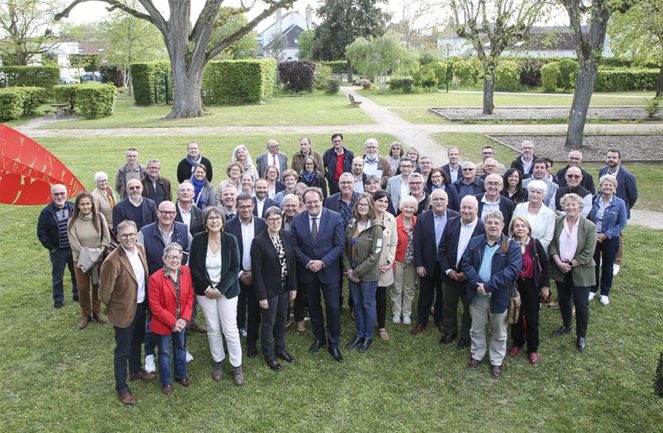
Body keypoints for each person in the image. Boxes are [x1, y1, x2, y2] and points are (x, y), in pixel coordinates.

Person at [99, 220, 154, 406]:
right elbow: (104, 293)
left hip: (141, 306)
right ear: (118, 237)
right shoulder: (112, 261)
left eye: (131, 234)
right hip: (123, 311)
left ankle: (136, 370)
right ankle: (121, 388)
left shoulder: (140, 249)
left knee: (137, 341)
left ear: (136, 235)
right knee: (122, 350)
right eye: (124, 235)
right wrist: (116, 306)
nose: (128, 238)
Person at [462, 210, 521, 379]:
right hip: (477, 296)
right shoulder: (475, 242)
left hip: (499, 296)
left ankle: (496, 360)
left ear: (503, 225)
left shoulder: (511, 246)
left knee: (499, 331)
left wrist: (488, 286)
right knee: (476, 328)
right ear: (485, 225)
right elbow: (466, 264)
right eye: (489, 223)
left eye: (496, 223)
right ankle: (477, 354)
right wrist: (478, 284)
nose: (493, 226)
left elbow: (512, 271)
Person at [189, 207, 244, 385]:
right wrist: (207, 288)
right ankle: (218, 361)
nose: (214, 221)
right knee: (213, 328)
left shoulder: (231, 239)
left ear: (222, 221)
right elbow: (193, 267)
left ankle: (236, 365)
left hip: (227, 291)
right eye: (211, 218)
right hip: (205, 291)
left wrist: (219, 289)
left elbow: (234, 268)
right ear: (205, 222)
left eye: (217, 217)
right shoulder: (198, 239)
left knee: (230, 328)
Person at [290, 187, 345, 362]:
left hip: (329, 271)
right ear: (304, 203)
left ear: (322, 200)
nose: (312, 204)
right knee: (314, 307)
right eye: (309, 202)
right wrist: (307, 262)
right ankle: (319, 337)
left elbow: (339, 245)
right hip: (308, 272)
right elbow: (294, 246)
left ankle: (333, 343)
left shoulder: (335, 217)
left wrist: (323, 262)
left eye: (316, 201)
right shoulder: (297, 220)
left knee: (333, 307)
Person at [138, 200, 192, 373]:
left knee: (179, 313)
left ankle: (181, 347)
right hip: (155, 283)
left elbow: (189, 251)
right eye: (163, 212)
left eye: (171, 212)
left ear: (175, 214)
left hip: (176, 281)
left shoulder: (183, 229)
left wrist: (182, 271)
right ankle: (149, 353)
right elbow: (140, 257)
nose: (167, 215)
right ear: (157, 213)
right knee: (152, 320)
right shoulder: (145, 232)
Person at [549, 193, 597, 353]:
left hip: (581, 270)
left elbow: (588, 253)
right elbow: (553, 244)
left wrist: (569, 264)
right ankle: (566, 325)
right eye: (567, 204)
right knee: (563, 299)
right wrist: (559, 263)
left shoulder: (589, 226)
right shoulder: (557, 222)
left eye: (573, 204)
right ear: (563, 207)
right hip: (560, 268)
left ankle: (581, 336)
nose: (570, 207)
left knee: (581, 304)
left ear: (580, 207)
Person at [251, 206, 298, 370]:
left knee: (281, 319)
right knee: (268, 322)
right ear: (266, 221)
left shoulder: (286, 235)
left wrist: (293, 287)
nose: (275, 222)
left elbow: (291, 262)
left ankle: (280, 349)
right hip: (269, 290)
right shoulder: (258, 241)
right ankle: (269, 355)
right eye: (271, 220)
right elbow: (257, 271)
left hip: (284, 286)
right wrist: (262, 296)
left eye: (278, 219)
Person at [439, 195, 485, 349]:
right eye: (464, 207)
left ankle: (466, 336)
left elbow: (484, 257)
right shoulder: (451, 223)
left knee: (469, 308)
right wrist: (448, 270)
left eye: (470, 207)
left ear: (477, 209)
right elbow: (442, 249)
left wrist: (467, 274)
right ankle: (450, 331)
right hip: (450, 275)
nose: (466, 210)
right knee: (448, 305)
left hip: (470, 278)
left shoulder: (483, 228)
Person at [224, 193, 267, 357]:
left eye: (249, 206)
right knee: (236, 310)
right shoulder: (228, 226)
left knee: (255, 312)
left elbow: (266, 250)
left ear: (253, 206)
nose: (246, 209)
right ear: (236, 208)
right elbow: (226, 253)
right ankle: (233, 342)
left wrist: (255, 273)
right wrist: (241, 273)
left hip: (257, 275)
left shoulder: (262, 224)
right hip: (236, 275)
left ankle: (251, 343)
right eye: (242, 207)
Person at [411, 189, 459, 336]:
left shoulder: (455, 217)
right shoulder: (422, 218)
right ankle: (421, 321)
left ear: (447, 201)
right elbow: (417, 242)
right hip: (427, 264)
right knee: (425, 294)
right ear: (431, 202)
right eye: (435, 199)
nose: (438, 202)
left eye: (441, 199)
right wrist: (419, 264)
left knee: (442, 295)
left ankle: (440, 320)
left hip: (446, 265)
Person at [148, 243, 194, 394]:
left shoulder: (186, 271)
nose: (174, 260)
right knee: (164, 351)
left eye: (178, 257)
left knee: (181, 346)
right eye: (171, 257)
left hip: (181, 321)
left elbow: (190, 297)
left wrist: (184, 319)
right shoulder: (155, 278)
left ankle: (181, 375)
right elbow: (155, 306)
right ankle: (166, 382)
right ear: (164, 259)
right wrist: (173, 322)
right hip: (164, 323)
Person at [343, 193, 383, 353]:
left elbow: (375, 255)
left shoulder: (376, 227)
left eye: (365, 205)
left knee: (368, 304)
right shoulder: (351, 223)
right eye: (360, 204)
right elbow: (344, 248)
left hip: (367, 275)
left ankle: (368, 336)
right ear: (356, 206)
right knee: (357, 304)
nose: (362, 207)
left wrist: (356, 272)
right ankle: (359, 334)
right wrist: (349, 269)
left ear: (371, 207)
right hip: (351, 272)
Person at [507, 216, 551, 364]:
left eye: (523, 226)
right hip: (515, 285)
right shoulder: (508, 244)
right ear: (512, 229)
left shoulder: (535, 244)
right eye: (517, 226)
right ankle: (517, 342)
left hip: (533, 285)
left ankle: (532, 348)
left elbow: (545, 265)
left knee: (532, 317)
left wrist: (545, 286)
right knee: (516, 315)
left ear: (528, 229)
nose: (520, 228)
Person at [67, 191, 111, 328]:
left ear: (92, 204)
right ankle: (86, 314)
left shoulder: (99, 217)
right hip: (80, 260)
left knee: (96, 286)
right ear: (78, 206)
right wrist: (90, 255)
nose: (86, 207)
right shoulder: (72, 222)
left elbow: (106, 238)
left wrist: (99, 252)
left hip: (97, 260)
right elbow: (74, 245)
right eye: (82, 204)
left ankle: (97, 311)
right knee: (83, 288)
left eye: (88, 204)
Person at [587, 175, 627, 306]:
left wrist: (606, 234)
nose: (608, 187)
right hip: (593, 237)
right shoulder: (593, 200)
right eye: (605, 184)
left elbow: (622, 223)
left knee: (608, 266)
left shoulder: (620, 203)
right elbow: (587, 217)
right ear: (600, 187)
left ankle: (604, 292)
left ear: (614, 188)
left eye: (611, 185)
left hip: (610, 239)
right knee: (593, 264)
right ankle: (592, 289)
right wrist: (594, 234)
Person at [37, 184, 78, 308]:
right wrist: (51, 247)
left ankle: (77, 294)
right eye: (56, 194)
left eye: (62, 193)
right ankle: (58, 299)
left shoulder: (73, 207)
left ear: (67, 193)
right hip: (58, 251)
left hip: (73, 249)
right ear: (52, 195)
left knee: (75, 273)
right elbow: (41, 232)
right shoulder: (46, 212)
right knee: (58, 276)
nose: (59, 196)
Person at [598, 149, 638, 275]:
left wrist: (624, 209)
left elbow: (633, 195)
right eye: (609, 157)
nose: (611, 159)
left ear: (619, 160)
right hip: (605, 207)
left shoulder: (627, 176)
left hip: (619, 209)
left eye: (614, 157)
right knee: (604, 230)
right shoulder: (603, 171)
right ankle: (604, 256)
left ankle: (616, 262)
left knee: (617, 235)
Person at [373, 190, 397, 341]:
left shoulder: (390, 218)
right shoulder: (367, 216)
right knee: (368, 296)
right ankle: (366, 323)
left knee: (381, 296)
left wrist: (390, 261)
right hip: (369, 264)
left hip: (383, 265)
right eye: (380, 201)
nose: (383, 204)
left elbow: (393, 242)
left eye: (386, 201)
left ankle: (381, 326)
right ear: (373, 201)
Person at [392, 196, 418, 325]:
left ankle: (407, 313)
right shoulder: (394, 222)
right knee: (397, 288)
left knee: (409, 289)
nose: (408, 209)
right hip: (397, 260)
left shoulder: (418, 221)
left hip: (412, 262)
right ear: (401, 208)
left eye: (411, 207)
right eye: (406, 206)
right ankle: (396, 313)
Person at [513, 179, 556, 252]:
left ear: (543, 195)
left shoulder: (550, 214)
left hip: (537, 252)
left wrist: (529, 248)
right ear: (528, 192)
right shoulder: (519, 207)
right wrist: (519, 246)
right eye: (532, 191)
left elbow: (547, 238)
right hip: (517, 250)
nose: (535, 195)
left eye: (538, 192)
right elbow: (512, 229)